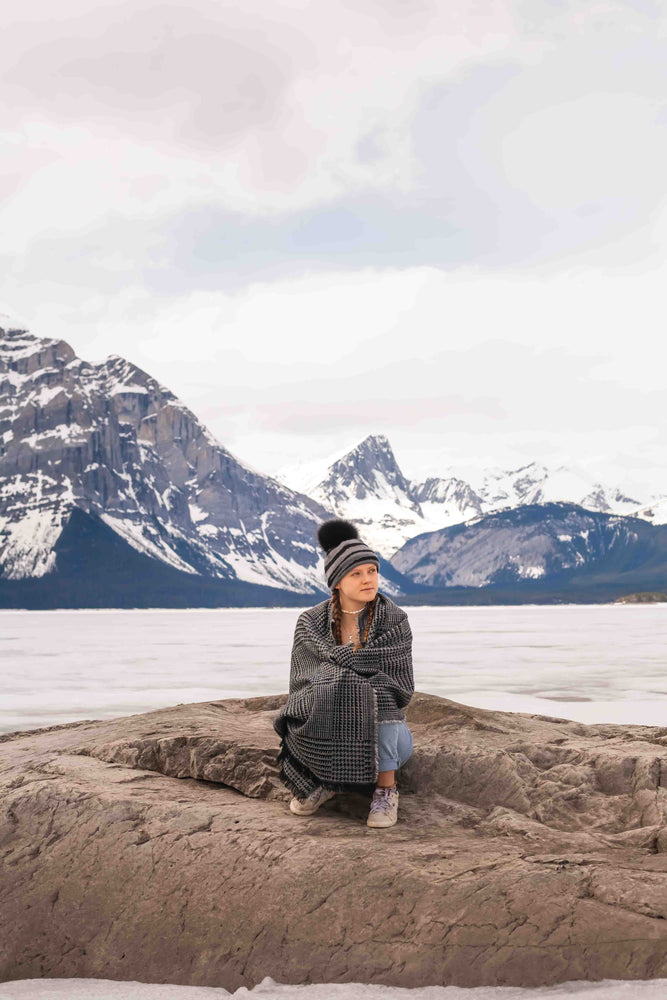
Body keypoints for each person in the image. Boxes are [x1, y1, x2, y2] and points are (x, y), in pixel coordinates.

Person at [272, 518, 414, 829]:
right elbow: (302, 682)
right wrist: (345, 676)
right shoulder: (310, 623)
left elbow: (400, 687)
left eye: (372, 571)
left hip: (388, 738)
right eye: (357, 573)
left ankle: (385, 789)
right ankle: (325, 780)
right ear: (337, 581)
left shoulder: (394, 620)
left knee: (379, 694)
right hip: (329, 723)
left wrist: (347, 675)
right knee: (321, 693)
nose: (368, 580)